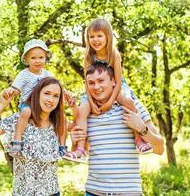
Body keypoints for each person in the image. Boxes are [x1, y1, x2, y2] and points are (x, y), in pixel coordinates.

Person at [64, 18, 152, 162]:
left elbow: (118, 82)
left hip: (116, 85)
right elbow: (87, 81)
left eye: (99, 36)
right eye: (92, 36)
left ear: (108, 37)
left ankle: (139, 140)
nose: (95, 40)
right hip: (93, 87)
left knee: (128, 101)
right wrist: (91, 103)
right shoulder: (88, 56)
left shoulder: (114, 54)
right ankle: (81, 149)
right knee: (82, 110)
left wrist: (110, 102)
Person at [70, 63, 164, 195]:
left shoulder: (133, 106)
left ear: (114, 81)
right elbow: (79, 152)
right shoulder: (87, 112)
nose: (96, 87)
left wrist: (141, 128)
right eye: (91, 83)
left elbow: (160, 148)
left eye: (101, 81)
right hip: (94, 191)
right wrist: (74, 141)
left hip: (128, 192)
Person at [0, 77, 67, 196]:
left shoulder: (58, 123)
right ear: (37, 94)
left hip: (52, 192)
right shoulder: (19, 120)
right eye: (47, 93)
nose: (51, 99)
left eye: (56, 96)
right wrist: (1, 106)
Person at [3, 39, 67, 155]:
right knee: (26, 112)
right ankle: (17, 139)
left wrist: (65, 92)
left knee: (61, 116)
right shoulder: (24, 74)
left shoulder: (46, 74)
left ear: (45, 58)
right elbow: (16, 89)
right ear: (27, 60)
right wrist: (11, 90)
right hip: (27, 104)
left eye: (41, 58)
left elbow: (55, 86)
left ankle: (61, 145)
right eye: (33, 58)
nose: (37, 61)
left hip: (43, 105)